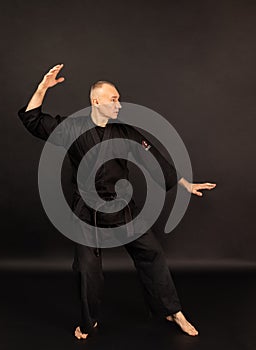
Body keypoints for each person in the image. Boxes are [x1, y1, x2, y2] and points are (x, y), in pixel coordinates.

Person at [18, 64, 216, 340]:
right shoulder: (72, 128)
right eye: (114, 99)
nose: (119, 104)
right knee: (87, 270)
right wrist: (42, 88)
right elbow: (33, 120)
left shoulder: (125, 132)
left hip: (122, 209)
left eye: (119, 99)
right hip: (86, 214)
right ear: (95, 100)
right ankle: (89, 322)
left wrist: (184, 184)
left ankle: (172, 310)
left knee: (153, 255)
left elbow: (155, 159)